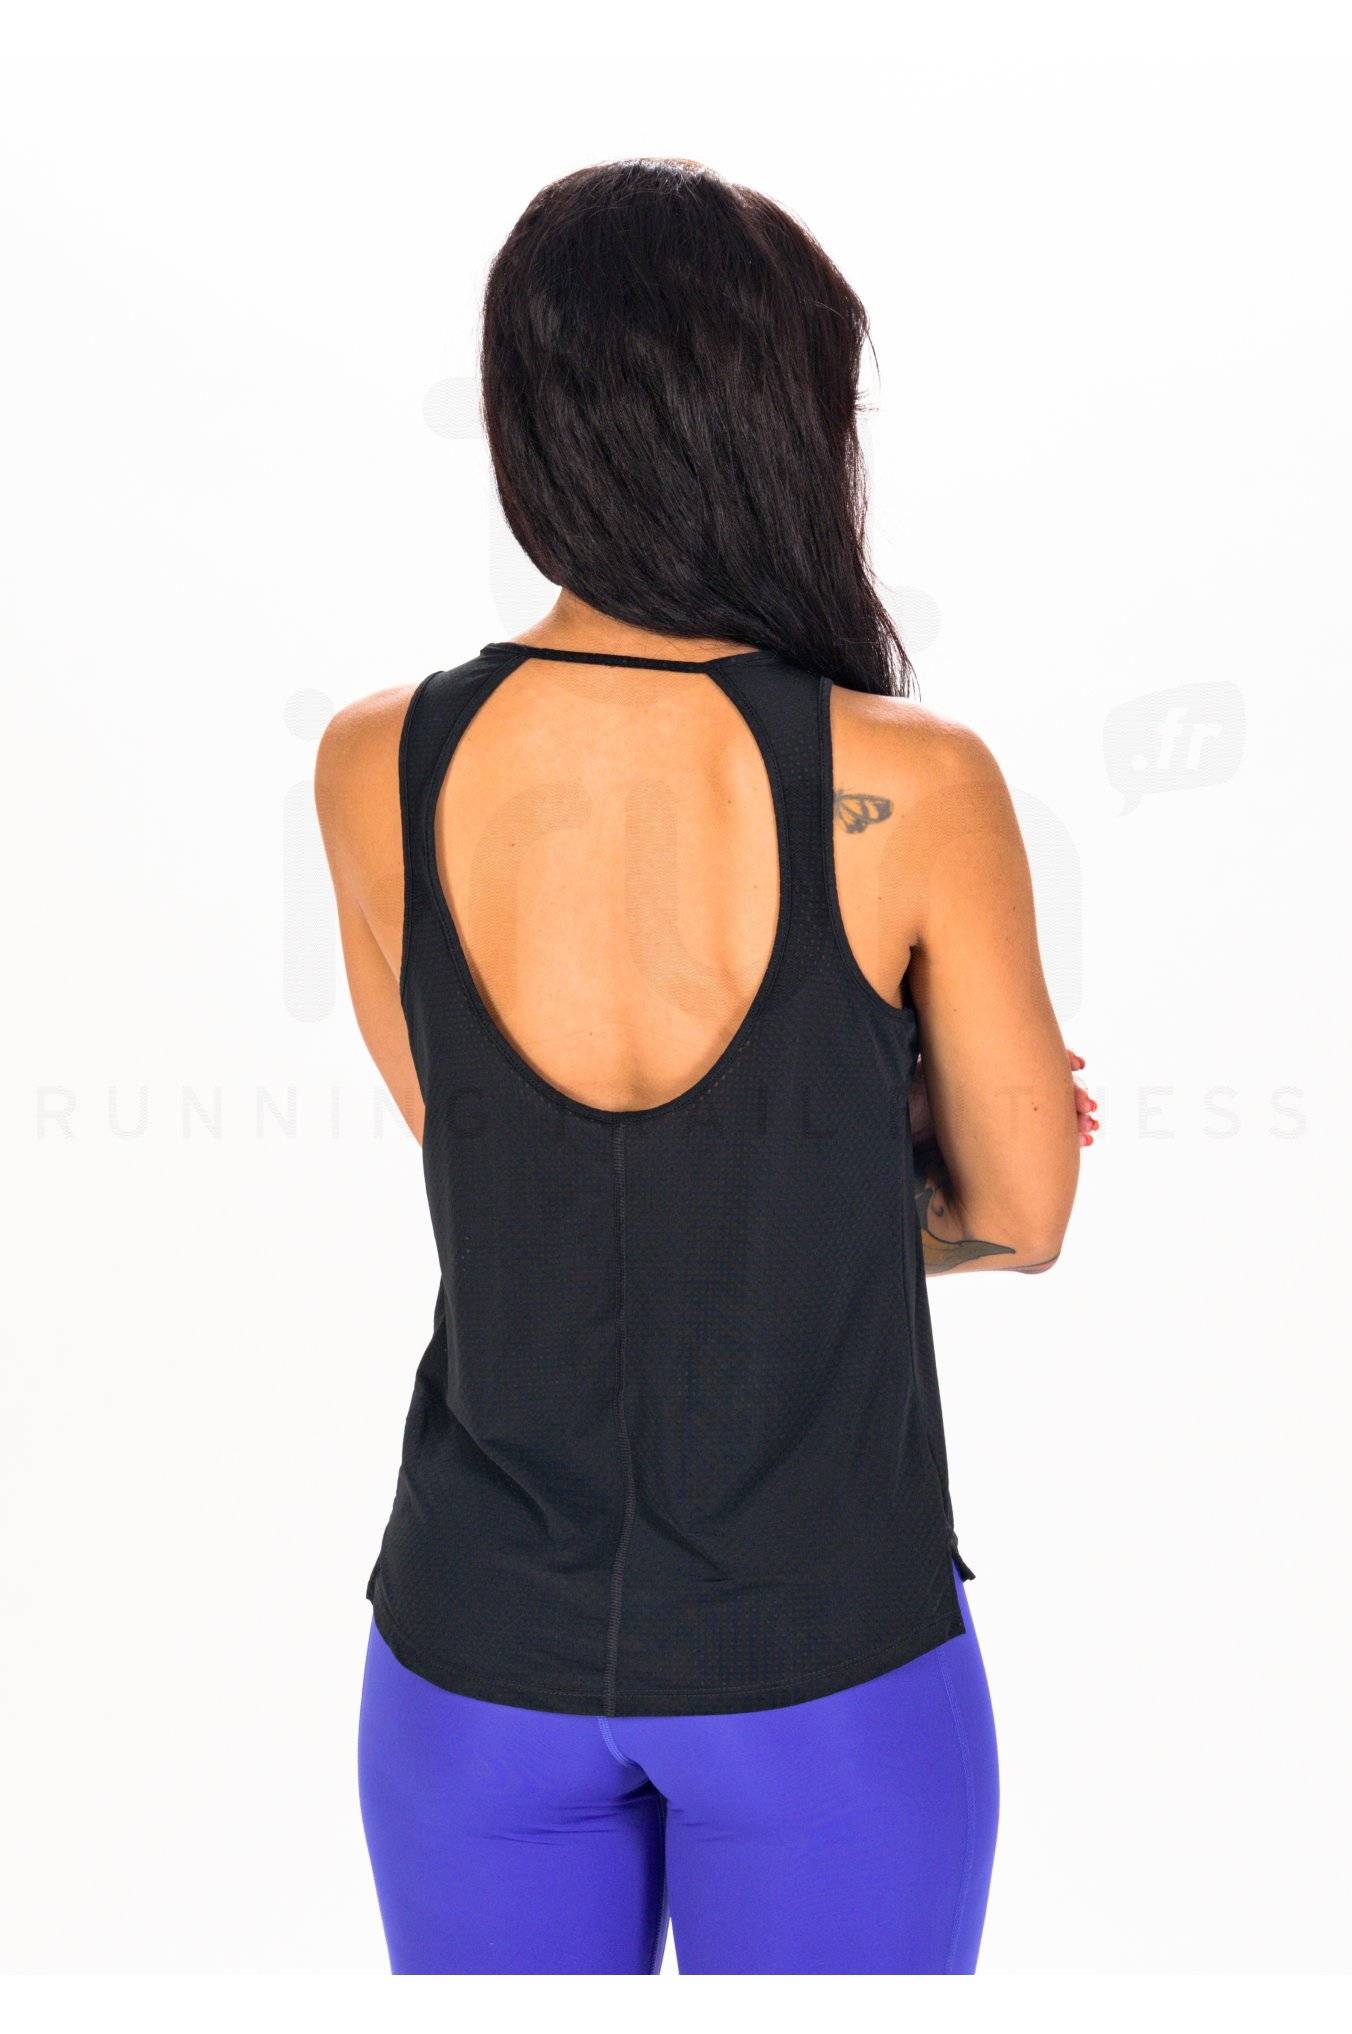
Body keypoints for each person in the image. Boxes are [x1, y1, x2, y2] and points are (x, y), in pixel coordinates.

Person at [315, 159, 1094, 1976]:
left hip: (472, 1660)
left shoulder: (373, 764)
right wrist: (876, 1162)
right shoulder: (913, 780)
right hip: (821, 1665)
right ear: (782, 425)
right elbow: (1027, 1213)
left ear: (530, 418)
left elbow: (501, 1180)